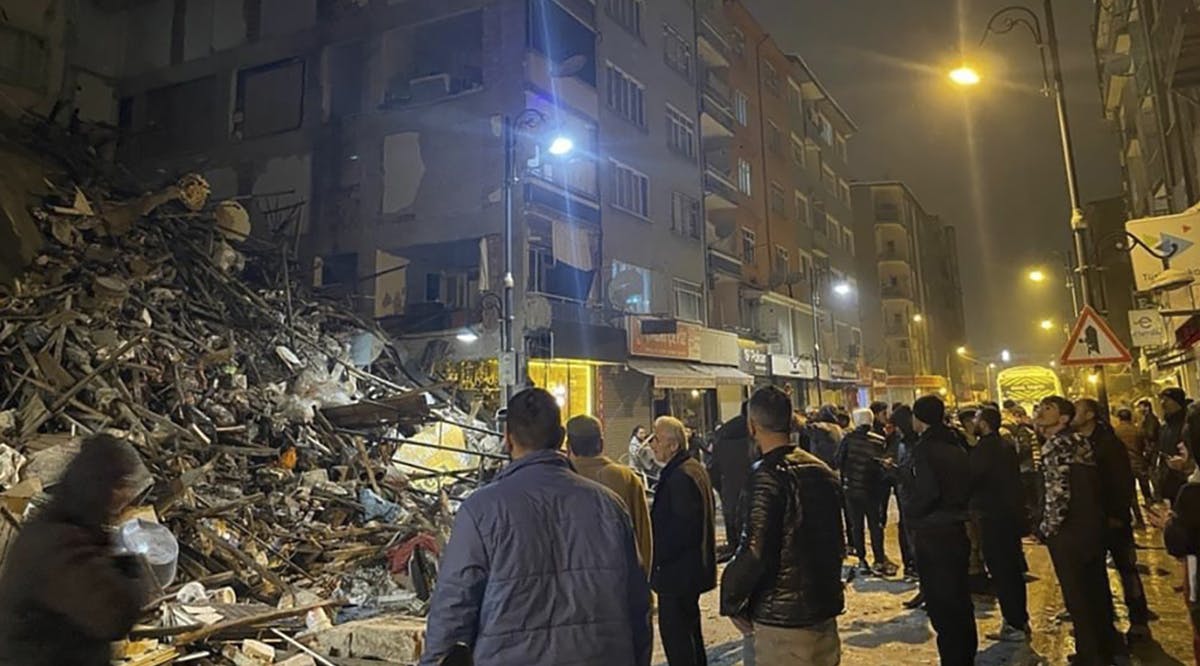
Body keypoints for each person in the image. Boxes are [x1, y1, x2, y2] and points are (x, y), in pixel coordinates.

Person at [421, 389, 651, 666]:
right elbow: (638, 605)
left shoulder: (480, 510)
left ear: (507, 439)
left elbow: (453, 607)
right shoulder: (609, 506)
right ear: (561, 438)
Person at [0, 434, 154, 666]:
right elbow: (114, 617)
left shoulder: (60, 525)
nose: (128, 494)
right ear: (100, 485)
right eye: (120, 484)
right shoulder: (60, 544)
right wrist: (133, 577)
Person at [721, 386, 845, 665]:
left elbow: (754, 550)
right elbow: (837, 542)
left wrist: (731, 600)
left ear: (752, 426)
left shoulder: (766, 478)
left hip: (783, 624)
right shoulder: (823, 472)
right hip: (823, 614)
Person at [1036, 396, 1119, 666]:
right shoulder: (1079, 441)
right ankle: (1104, 646)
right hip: (1091, 526)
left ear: (1063, 419)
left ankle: (1090, 654)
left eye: (1048, 408)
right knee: (1095, 588)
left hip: (1070, 530)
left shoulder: (1057, 446)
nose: (1040, 412)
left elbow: (1058, 492)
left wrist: (1049, 527)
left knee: (1077, 595)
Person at [1073, 398, 1151, 644]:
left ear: (1090, 415)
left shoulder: (1108, 442)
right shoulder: (1078, 442)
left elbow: (1121, 481)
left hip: (1112, 519)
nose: (1072, 413)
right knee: (1095, 573)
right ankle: (1106, 624)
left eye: (1076, 410)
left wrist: (1117, 514)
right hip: (1092, 520)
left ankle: (1138, 620)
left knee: (1126, 569)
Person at [908, 395, 976, 665]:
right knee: (960, 600)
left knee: (943, 605)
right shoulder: (956, 442)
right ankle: (965, 656)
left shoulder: (926, 448)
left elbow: (927, 492)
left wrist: (912, 512)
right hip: (956, 529)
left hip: (934, 533)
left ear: (919, 418)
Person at [649, 415, 717, 666]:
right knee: (689, 636)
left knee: (679, 641)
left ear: (673, 445)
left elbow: (680, 529)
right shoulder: (691, 469)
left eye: (656, 439)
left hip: (678, 575)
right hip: (688, 572)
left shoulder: (680, 476)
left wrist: (657, 558)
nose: (652, 444)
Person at [567, 415, 653, 579]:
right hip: (620, 581)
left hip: (573, 588)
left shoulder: (561, 480)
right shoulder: (626, 478)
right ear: (601, 443)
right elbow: (643, 535)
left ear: (568, 445)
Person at [970, 408, 1030, 642]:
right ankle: (1018, 620)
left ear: (984, 424)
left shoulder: (986, 449)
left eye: (976, 419)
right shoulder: (1004, 446)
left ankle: (1014, 623)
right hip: (1008, 515)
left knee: (1003, 571)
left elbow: (972, 477)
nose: (973, 423)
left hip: (994, 516)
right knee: (1011, 570)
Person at [838, 408, 896, 576]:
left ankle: (862, 559)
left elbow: (838, 460)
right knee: (875, 524)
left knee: (857, 526)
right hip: (872, 490)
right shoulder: (879, 440)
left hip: (852, 489)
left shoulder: (848, 439)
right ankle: (878, 559)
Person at [708, 403, 755, 561]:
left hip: (730, 495)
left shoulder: (722, 434)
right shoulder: (756, 435)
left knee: (736, 549)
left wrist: (723, 490)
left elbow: (713, 469)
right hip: (754, 496)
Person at [891, 405, 921, 587]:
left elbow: (912, 474)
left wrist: (895, 471)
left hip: (914, 499)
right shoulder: (902, 443)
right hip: (905, 497)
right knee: (906, 533)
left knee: (916, 539)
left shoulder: (916, 444)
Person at [1114, 407, 1152, 528]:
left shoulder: (1116, 432)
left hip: (1125, 465)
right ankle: (1153, 516)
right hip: (1139, 463)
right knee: (1146, 491)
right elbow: (1146, 447)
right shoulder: (1138, 430)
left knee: (1132, 495)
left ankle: (1139, 520)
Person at [1158, 388, 1191, 505]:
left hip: (1186, 481)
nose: (1162, 403)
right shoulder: (1164, 427)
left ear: (1177, 402)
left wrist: (1186, 464)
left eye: (1167, 400)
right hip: (1170, 481)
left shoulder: (1188, 424)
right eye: (1161, 399)